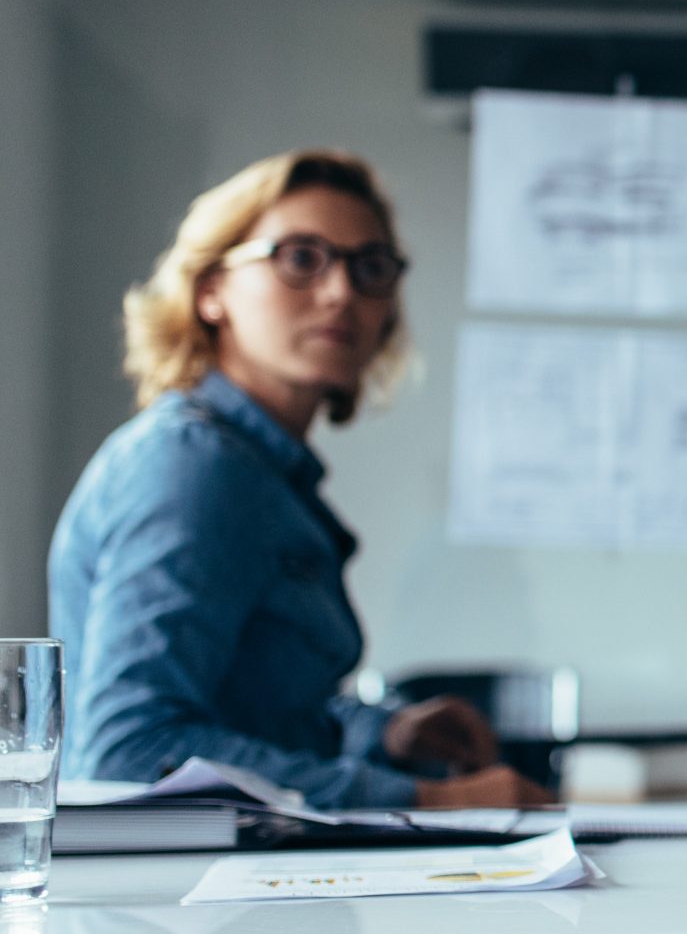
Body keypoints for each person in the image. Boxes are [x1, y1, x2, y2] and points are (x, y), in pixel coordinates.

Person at [52, 150, 552, 809]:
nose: (342, 291)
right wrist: (427, 799)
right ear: (211, 290)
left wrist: (388, 734)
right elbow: (131, 752)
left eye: (370, 267)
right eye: (299, 257)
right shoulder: (193, 465)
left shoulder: (264, 473)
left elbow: (252, 717)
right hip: (184, 903)